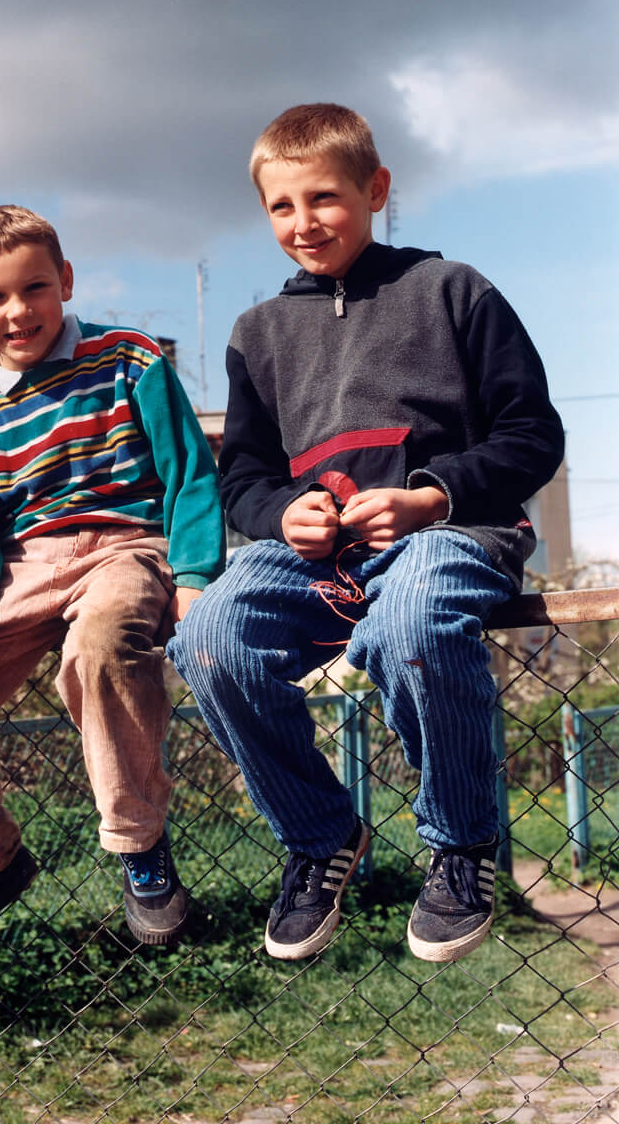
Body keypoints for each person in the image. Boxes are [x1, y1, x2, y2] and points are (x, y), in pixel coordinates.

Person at [168, 103, 565, 963]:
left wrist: (432, 495)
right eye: (281, 206)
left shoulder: (452, 291)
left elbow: (534, 436)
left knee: (412, 620)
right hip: (318, 557)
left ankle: (460, 846)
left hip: (448, 536)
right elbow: (242, 479)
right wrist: (282, 514)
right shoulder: (256, 335)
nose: (303, 223)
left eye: (325, 198)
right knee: (207, 636)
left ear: (376, 190)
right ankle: (319, 839)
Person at [0, 204, 224, 958]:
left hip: (126, 545)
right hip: (25, 566)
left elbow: (190, 473)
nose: (18, 310)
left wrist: (193, 577)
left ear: (65, 281)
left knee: (97, 647)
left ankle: (139, 847)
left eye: (35, 288)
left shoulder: (128, 360)